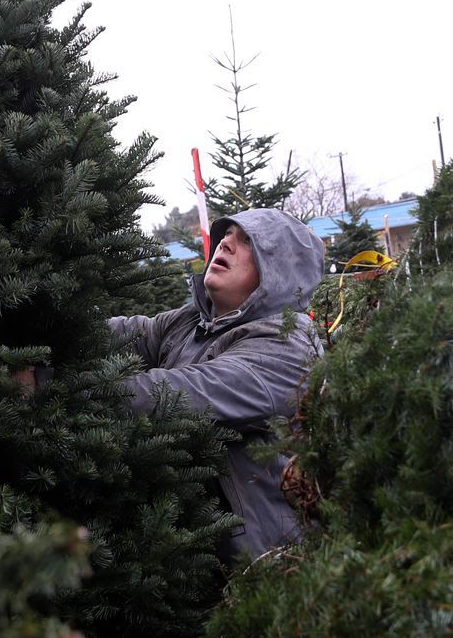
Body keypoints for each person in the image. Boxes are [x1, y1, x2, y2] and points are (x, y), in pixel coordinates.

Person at [109, 207, 326, 562]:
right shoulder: (192, 321)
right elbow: (123, 334)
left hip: (257, 567)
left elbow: (180, 395)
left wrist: (59, 385)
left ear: (279, 273)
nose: (225, 243)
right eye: (227, 235)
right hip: (181, 555)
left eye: (246, 242)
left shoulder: (287, 346)